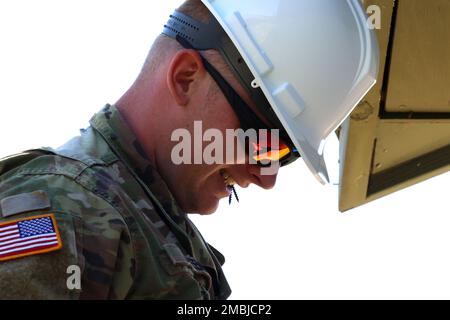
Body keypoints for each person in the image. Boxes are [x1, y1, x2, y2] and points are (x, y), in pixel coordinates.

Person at [0, 0, 378, 299]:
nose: (265, 177)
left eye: (284, 153)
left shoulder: (153, 235)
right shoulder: (68, 208)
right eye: (262, 138)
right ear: (185, 78)